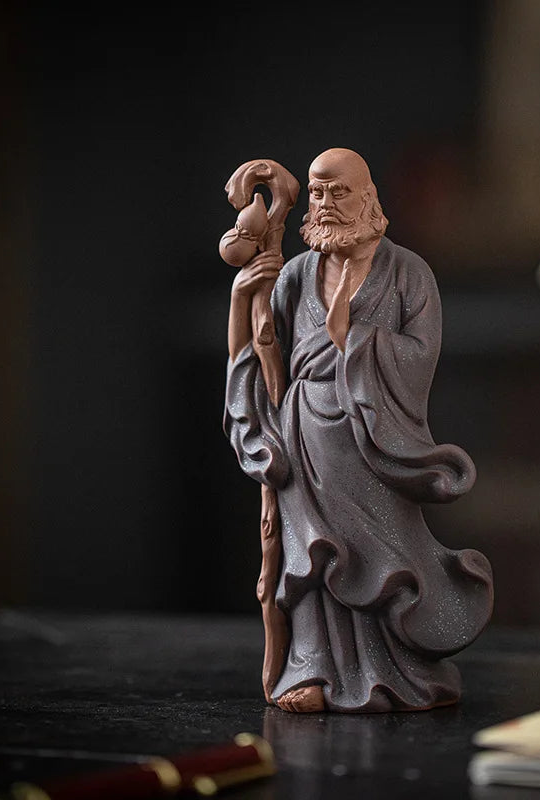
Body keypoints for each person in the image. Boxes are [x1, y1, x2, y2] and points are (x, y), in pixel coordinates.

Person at [225, 148, 493, 713]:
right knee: (311, 559)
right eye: (317, 192)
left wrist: (354, 338)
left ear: (369, 197)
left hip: (372, 440)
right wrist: (242, 296)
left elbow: (422, 355)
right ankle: (313, 670)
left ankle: (400, 670)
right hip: (304, 440)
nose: (326, 203)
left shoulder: (409, 273)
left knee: (380, 556)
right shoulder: (296, 273)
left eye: (339, 191)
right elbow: (263, 351)